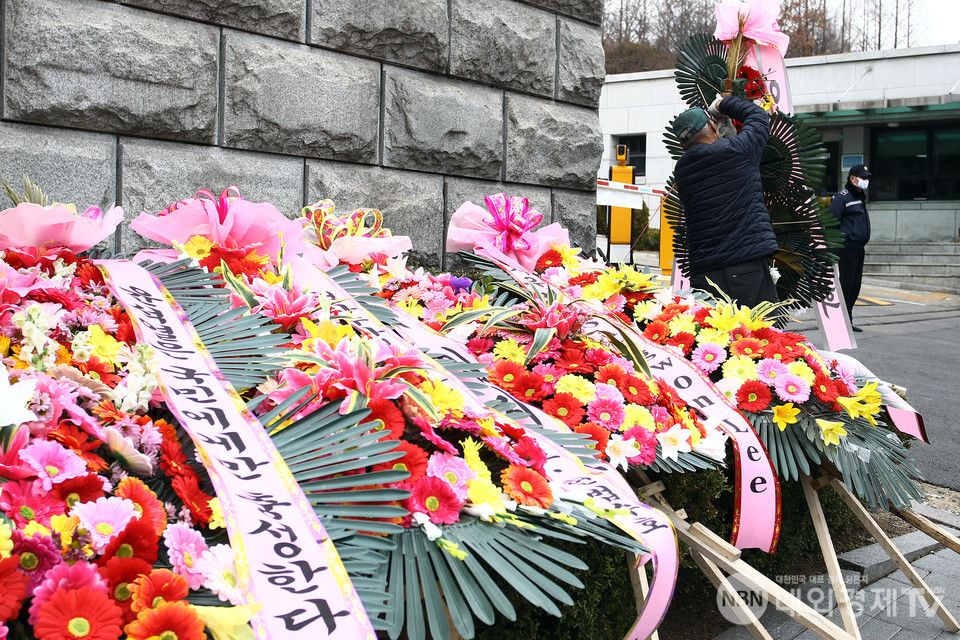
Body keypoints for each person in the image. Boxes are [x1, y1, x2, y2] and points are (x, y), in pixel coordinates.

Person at [671, 95, 779, 308]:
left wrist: (728, 139)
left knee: (713, 337)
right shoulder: (738, 150)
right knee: (757, 335)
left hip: (704, 273)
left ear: (683, 146)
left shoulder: (682, 170)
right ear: (713, 127)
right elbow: (757, 116)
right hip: (745, 264)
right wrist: (721, 104)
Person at [829, 164, 872, 332]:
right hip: (846, 247)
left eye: (867, 178)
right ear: (852, 178)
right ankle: (840, 322)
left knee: (855, 285)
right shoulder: (842, 197)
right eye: (862, 178)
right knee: (847, 284)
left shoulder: (860, 196)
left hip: (858, 248)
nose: (866, 181)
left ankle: (848, 319)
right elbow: (832, 222)